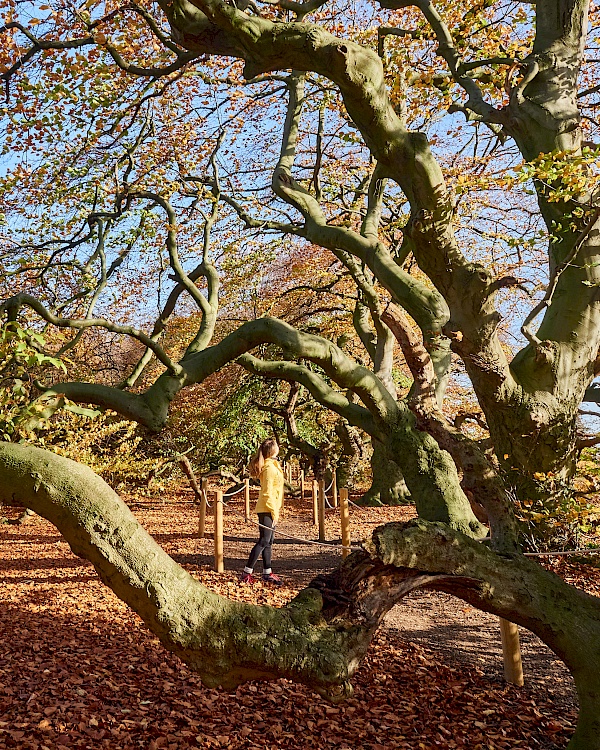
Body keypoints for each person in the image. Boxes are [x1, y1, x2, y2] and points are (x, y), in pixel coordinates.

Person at [241, 437, 284, 586]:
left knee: (269, 542)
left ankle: (267, 572)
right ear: (272, 450)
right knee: (264, 541)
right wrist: (274, 512)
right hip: (267, 508)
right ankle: (247, 572)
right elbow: (267, 492)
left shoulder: (273, 465)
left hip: (271, 508)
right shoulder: (270, 468)